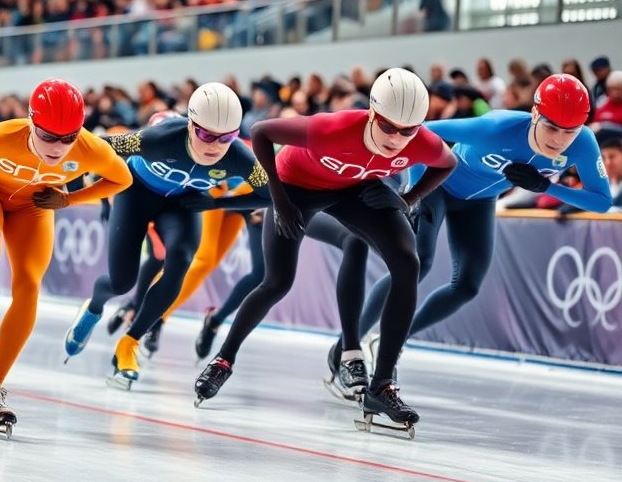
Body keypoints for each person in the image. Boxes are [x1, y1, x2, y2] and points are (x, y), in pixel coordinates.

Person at [193, 68, 456, 437]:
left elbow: (448, 163)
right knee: (277, 282)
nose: (397, 139)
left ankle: (380, 386)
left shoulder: (421, 141)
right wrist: (278, 199)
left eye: (407, 130)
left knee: (407, 261)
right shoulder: (333, 127)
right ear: (371, 113)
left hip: (353, 190)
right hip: (295, 187)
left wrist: (408, 200)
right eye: (388, 127)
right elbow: (263, 132)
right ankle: (223, 360)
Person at [0, 79, 132, 436]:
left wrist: (69, 200)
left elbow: (121, 178)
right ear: (32, 123)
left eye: (69, 138)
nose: (59, 147)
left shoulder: (88, 148)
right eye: (49, 137)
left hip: (32, 208)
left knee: (29, 284)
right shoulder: (4, 135)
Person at [343, 74, 611, 354]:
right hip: (440, 189)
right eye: (552, 127)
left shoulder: (583, 143)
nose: (559, 140)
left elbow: (602, 202)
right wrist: (415, 190)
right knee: (417, 263)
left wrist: (547, 187)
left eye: (570, 131)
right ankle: (348, 346)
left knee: (467, 287)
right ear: (535, 113)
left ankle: (393, 340)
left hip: (479, 203)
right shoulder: (495, 127)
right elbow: (419, 132)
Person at [63, 83, 269, 388]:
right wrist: (79, 191)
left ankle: (129, 343)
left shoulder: (239, 156)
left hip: (182, 205)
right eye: (206, 135)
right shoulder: (159, 139)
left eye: (226, 137)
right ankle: (93, 307)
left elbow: (269, 195)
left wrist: (217, 202)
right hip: (136, 195)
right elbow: (92, 146)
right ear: (190, 126)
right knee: (122, 282)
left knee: (181, 259)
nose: (215, 145)